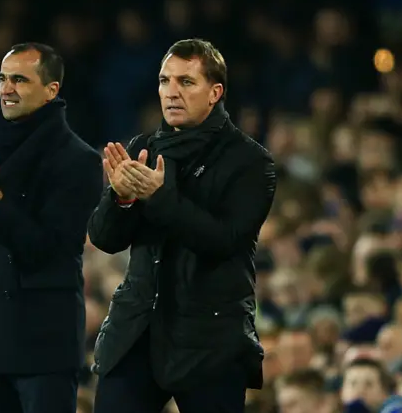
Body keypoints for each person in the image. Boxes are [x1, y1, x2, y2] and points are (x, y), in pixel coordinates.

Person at [87, 38, 276, 413]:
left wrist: (160, 199)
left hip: (209, 340)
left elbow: (225, 241)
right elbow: (105, 238)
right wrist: (120, 197)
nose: (171, 92)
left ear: (214, 92)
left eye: (186, 82)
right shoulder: (144, 146)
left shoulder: (251, 161)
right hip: (136, 331)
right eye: (164, 81)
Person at [0, 42, 103, 413]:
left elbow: (50, 250)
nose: (6, 88)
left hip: (45, 338)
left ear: (51, 90)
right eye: (2, 78)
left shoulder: (78, 160)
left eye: (19, 79)